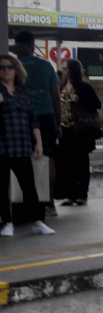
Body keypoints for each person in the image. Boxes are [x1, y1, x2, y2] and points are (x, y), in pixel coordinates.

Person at [0, 53, 54, 236]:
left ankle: (37, 221)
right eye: (2, 67)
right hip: (2, 144)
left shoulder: (24, 91)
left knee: (29, 186)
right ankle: (7, 222)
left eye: (9, 67)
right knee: (2, 187)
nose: (6, 70)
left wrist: (38, 141)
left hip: (22, 144)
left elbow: (33, 119)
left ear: (16, 70)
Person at [13, 31, 60, 218]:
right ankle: (49, 202)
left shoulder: (10, 66)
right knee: (47, 159)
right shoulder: (46, 65)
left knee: (19, 159)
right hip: (46, 116)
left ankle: (21, 200)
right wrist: (58, 122)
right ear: (33, 46)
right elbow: (55, 95)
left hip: (20, 117)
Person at [55, 58, 102, 206]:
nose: (62, 70)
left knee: (80, 163)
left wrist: (79, 100)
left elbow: (97, 104)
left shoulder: (83, 87)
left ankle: (82, 194)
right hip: (65, 129)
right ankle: (70, 194)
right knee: (66, 164)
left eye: (64, 68)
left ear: (71, 70)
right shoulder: (62, 86)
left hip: (80, 130)